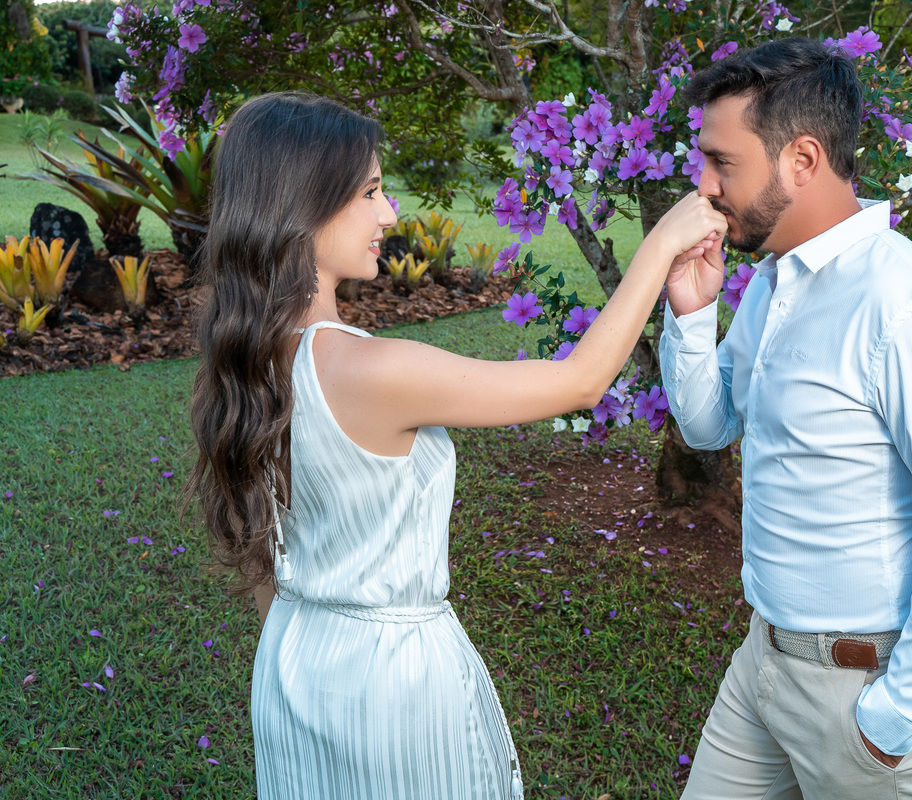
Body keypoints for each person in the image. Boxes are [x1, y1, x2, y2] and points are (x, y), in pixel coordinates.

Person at [182, 91, 727, 800]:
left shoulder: (245, 357)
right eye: (372, 191)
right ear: (303, 203)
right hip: (393, 681)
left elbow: (266, 556)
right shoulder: (372, 370)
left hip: (293, 660)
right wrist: (660, 245)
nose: (390, 214)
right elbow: (582, 381)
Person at [659, 37, 912, 799]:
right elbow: (708, 425)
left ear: (802, 159)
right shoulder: (773, 283)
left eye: (722, 161)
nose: (703, 184)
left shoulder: (906, 306)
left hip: (865, 693)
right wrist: (692, 316)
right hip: (762, 664)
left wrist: (895, 715)